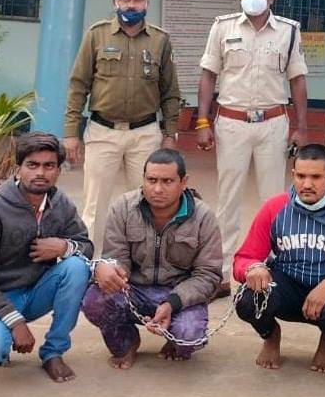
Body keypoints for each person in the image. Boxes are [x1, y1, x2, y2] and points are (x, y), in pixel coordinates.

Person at [197, 0, 309, 297]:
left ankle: (273, 270)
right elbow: (208, 75)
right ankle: (221, 273)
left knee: (273, 199)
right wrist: (202, 122)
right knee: (228, 199)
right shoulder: (223, 27)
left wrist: (302, 126)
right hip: (232, 122)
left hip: (273, 122)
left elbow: (297, 80)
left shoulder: (289, 31)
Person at [0, 132, 92, 383]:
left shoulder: (60, 203)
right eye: (32, 165)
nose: (40, 173)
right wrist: (16, 323)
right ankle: (0, 337)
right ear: (18, 168)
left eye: (49, 166)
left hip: (37, 291)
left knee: (77, 267)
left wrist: (63, 247)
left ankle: (53, 352)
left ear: (58, 171)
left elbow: (86, 247)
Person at [233, 144, 325, 372]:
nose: (307, 184)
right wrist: (254, 268)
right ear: (293, 175)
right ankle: (270, 335)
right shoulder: (274, 208)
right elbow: (244, 258)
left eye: (316, 177)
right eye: (301, 176)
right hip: (286, 287)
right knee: (248, 300)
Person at [64, 0, 181, 243]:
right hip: (102, 131)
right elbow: (78, 85)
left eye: (138, 0)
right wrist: (71, 133)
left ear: (147, 3)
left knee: (147, 201)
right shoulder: (97, 35)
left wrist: (170, 133)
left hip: (145, 134)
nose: (131, 5)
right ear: (115, 2)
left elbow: (170, 92)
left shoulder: (160, 40)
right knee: (95, 206)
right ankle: (91, 260)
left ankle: (141, 259)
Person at [82, 149, 222, 369]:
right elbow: (116, 257)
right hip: (134, 290)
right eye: (152, 180)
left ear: (183, 182)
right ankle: (127, 342)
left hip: (179, 294)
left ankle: (175, 341)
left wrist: (172, 303)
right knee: (94, 300)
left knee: (188, 336)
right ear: (143, 179)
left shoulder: (203, 217)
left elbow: (208, 275)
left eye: (167, 181)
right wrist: (111, 270)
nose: (157, 189)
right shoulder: (123, 208)